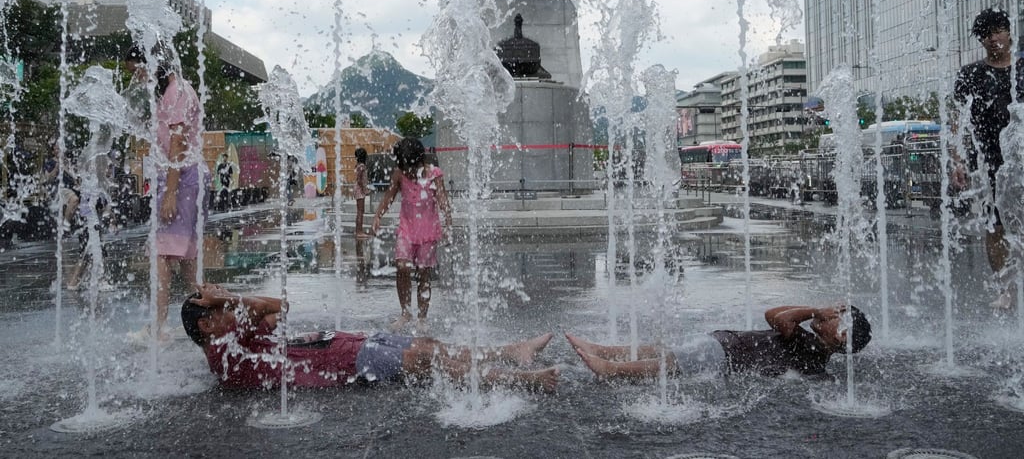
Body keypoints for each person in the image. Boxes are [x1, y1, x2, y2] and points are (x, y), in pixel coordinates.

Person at [180, 283, 557, 392]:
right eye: (219, 312)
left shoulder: (237, 339)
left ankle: (512, 351)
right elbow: (266, 309)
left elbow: (280, 307)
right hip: (348, 363)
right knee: (430, 361)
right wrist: (230, 298)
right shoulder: (224, 358)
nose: (228, 312)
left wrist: (233, 302)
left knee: (431, 347)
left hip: (350, 343)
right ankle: (524, 381)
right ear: (206, 327)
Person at [126, 43, 207, 339]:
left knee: (161, 254)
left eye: (140, 71)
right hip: (180, 179)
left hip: (182, 181)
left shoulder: (177, 92)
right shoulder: (171, 93)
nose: (138, 79)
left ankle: (157, 328)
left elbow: (178, 145)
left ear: (155, 65)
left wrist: (170, 192)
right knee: (187, 264)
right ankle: (219, 320)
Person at [567, 304, 871, 379]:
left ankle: (612, 370)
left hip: (727, 354)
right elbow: (777, 315)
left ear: (841, 335)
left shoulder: (812, 349)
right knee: (663, 350)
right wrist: (818, 313)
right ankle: (603, 351)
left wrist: (814, 311)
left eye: (836, 315)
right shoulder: (814, 348)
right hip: (724, 346)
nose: (829, 313)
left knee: (668, 362)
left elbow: (775, 317)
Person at [952, 8, 1024, 309]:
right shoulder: (970, 74)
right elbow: (956, 121)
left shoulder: (1023, 68)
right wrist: (956, 161)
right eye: (986, 34)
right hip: (988, 161)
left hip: (1020, 156)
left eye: (998, 31)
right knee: (995, 227)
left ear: (1009, 32)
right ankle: (1007, 288)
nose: (993, 38)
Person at [371, 137, 452, 329]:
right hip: (406, 229)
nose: (407, 170)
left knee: (424, 273)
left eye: (408, 165)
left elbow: (442, 200)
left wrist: (449, 223)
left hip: (428, 231)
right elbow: (389, 197)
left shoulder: (434, 174)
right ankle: (405, 313)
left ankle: (422, 317)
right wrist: (377, 216)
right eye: (403, 165)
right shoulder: (400, 175)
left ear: (418, 161)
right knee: (402, 266)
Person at [352, 147, 371, 275]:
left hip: (358, 188)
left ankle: (359, 230)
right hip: (359, 189)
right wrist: (364, 189)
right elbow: (360, 179)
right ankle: (359, 231)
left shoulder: (359, 165)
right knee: (360, 211)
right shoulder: (362, 166)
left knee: (360, 211)